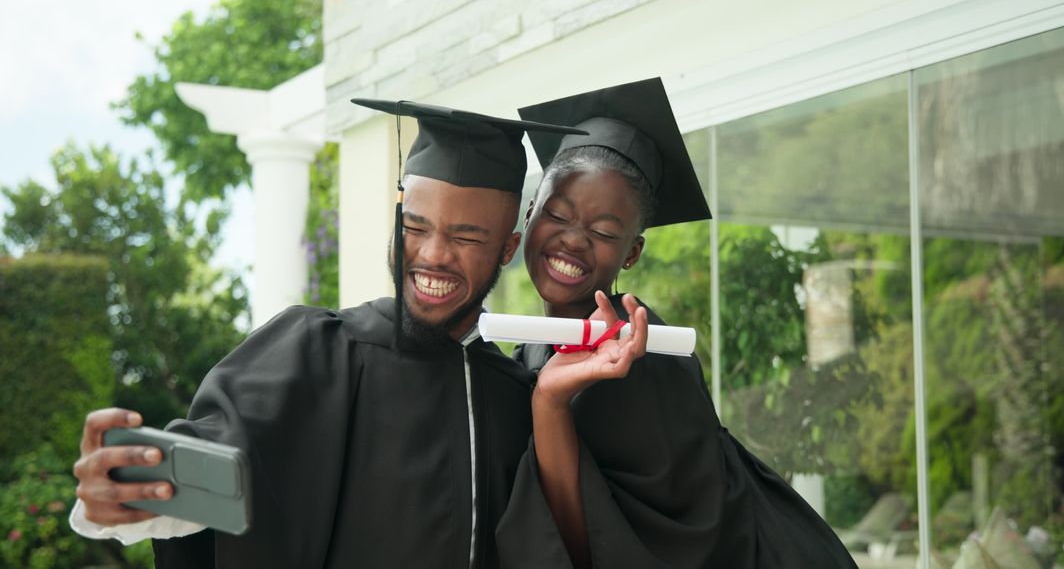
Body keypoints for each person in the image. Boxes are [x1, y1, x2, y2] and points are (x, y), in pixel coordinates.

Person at [69, 99, 650, 568]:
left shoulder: (518, 394)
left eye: (468, 237)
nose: (432, 255)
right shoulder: (312, 349)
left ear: (506, 246)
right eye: (415, 226)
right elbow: (219, 465)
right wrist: (124, 490)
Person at [495, 78, 858, 568]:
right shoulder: (536, 349)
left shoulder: (644, 355)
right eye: (557, 215)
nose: (573, 240)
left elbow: (597, 544)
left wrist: (549, 402)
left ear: (632, 253)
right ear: (531, 212)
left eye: (604, 231)